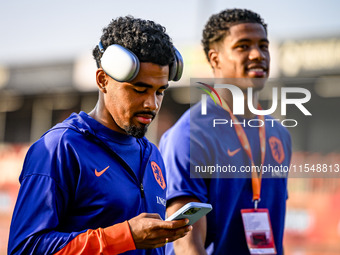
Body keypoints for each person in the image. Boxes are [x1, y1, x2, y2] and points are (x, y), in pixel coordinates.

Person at [8, 16, 191, 255]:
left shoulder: (152, 154)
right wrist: (126, 236)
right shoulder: (60, 147)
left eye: (160, 91)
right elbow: (25, 248)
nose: (152, 104)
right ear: (103, 80)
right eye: (139, 89)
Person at [159, 9, 291, 255]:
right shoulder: (190, 135)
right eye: (243, 46)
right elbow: (185, 241)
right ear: (215, 58)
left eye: (263, 46)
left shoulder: (279, 134)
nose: (257, 55)